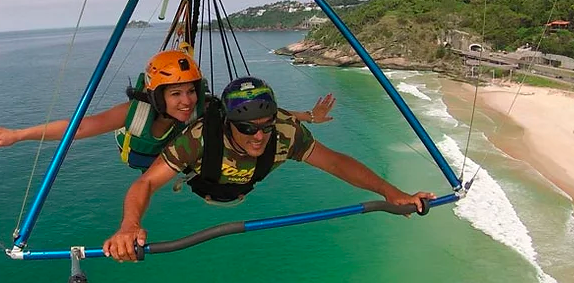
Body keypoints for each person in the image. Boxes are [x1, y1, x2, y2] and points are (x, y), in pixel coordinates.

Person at [102, 76, 435, 261]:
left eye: (266, 125)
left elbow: (335, 162)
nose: (259, 136)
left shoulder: (286, 132)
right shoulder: (199, 139)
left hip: (243, 187)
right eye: (247, 128)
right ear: (230, 123)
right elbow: (146, 183)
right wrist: (130, 225)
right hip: (206, 180)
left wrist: (390, 192)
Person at [0, 51, 336, 170]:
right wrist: (17, 135)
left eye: (190, 92)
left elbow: (252, 114)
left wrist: (307, 116)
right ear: (156, 96)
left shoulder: (204, 108)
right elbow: (81, 127)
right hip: (139, 158)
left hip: (176, 159)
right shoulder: (137, 113)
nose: (186, 101)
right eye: (175, 94)